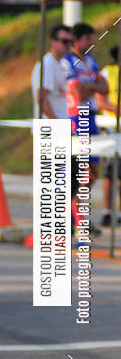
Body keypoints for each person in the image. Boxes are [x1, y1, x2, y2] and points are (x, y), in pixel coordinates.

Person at [63, 22, 109, 235]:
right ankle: (75, 215)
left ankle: (77, 210)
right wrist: (92, 87)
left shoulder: (90, 61)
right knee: (80, 170)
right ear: (77, 40)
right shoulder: (68, 62)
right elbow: (78, 94)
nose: (92, 43)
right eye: (88, 39)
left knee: (93, 171)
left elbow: (104, 88)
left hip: (91, 118)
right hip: (76, 117)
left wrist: (88, 86)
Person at [96, 46, 121, 226]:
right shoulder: (108, 72)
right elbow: (101, 101)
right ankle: (107, 211)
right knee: (110, 173)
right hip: (112, 128)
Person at [31, 23, 74, 118]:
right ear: (53, 41)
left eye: (71, 41)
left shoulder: (64, 64)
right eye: (65, 41)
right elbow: (41, 98)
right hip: (48, 127)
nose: (69, 45)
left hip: (58, 124)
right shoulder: (47, 64)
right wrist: (56, 123)